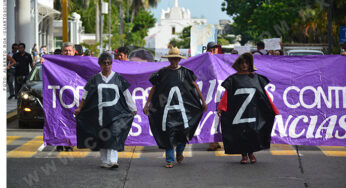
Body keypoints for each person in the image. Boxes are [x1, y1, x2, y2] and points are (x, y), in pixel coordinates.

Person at [143, 47, 207, 168]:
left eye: (176, 59)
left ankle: (180, 152)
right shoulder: (162, 73)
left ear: (179, 59)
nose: (174, 61)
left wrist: (203, 101)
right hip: (165, 111)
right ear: (169, 59)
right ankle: (169, 159)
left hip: (183, 111)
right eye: (171, 59)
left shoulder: (186, 72)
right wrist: (147, 104)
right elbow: (154, 88)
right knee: (168, 134)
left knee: (182, 134)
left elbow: (195, 86)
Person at [74, 52, 137, 168]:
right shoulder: (95, 79)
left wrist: (132, 108)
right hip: (99, 114)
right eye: (104, 63)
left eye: (109, 63)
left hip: (115, 114)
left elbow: (126, 94)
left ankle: (113, 161)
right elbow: (85, 95)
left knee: (113, 135)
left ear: (111, 64)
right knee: (102, 136)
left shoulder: (118, 78)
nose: (106, 65)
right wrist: (80, 108)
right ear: (100, 64)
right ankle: (104, 161)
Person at [217, 53, 279, 164]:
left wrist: (272, 108)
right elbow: (227, 95)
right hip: (238, 113)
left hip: (253, 112)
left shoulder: (256, 78)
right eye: (242, 63)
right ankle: (244, 155)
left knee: (252, 132)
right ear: (239, 65)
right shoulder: (233, 79)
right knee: (240, 133)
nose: (244, 65)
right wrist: (221, 107)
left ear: (250, 64)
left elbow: (263, 95)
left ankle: (251, 153)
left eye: (246, 63)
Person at [205, 41, 222, 151]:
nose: (214, 50)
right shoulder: (205, 59)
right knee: (211, 116)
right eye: (212, 49)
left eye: (215, 48)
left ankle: (216, 140)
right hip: (210, 93)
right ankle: (212, 141)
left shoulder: (220, 59)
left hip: (220, 92)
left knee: (219, 116)